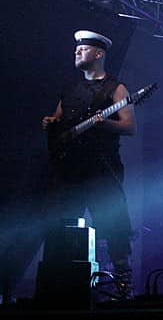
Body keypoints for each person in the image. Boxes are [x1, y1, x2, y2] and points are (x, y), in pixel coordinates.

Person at [41, 30, 137, 295]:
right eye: (77, 49)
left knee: (114, 226)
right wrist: (51, 122)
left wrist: (104, 124)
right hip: (69, 170)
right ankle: (62, 286)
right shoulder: (71, 89)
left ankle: (123, 286)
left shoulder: (116, 89)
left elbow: (129, 127)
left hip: (102, 169)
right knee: (63, 225)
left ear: (98, 54)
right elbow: (60, 121)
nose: (77, 51)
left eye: (83, 49)